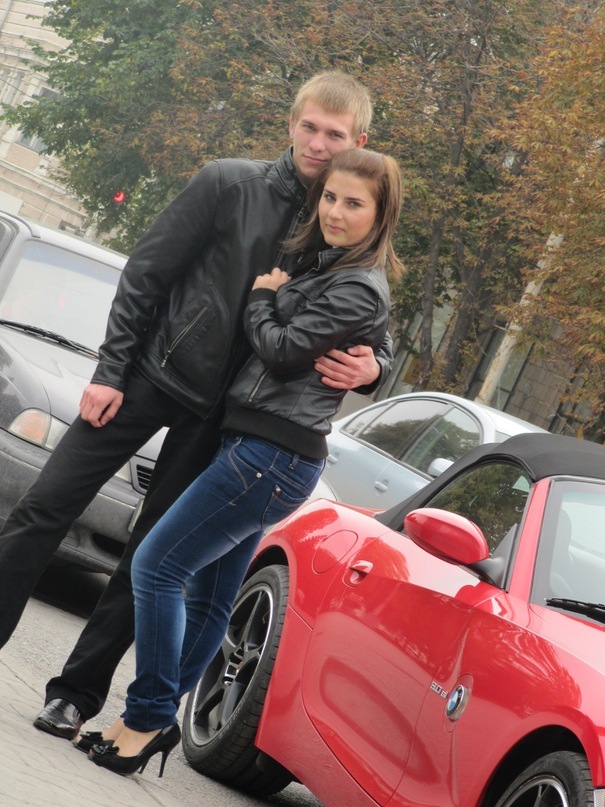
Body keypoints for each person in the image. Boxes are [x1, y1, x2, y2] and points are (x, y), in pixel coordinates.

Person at [0, 71, 391, 738]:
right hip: (148, 377)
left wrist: (376, 367)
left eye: (334, 134)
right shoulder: (228, 183)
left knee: (144, 559)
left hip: (222, 422)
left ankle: (75, 696)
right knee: (43, 508)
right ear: (291, 123)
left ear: (357, 140)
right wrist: (111, 370)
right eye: (309, 127)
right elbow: (146, 273)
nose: (318, 143)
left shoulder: (341, 220)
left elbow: (371, 314)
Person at [83, 146, 404, 776]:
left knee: (156, 566)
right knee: (209, 597)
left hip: (272, 454)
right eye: (330, 198)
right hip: (258, 448)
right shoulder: (329, 263)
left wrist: (262, 299)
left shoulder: (357, 284)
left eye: (353, 203)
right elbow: (361, 343)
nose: (336, 212)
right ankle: (141, 721)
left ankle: (147, 716)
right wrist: (373, 361)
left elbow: (282, 352)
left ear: (380, 214)